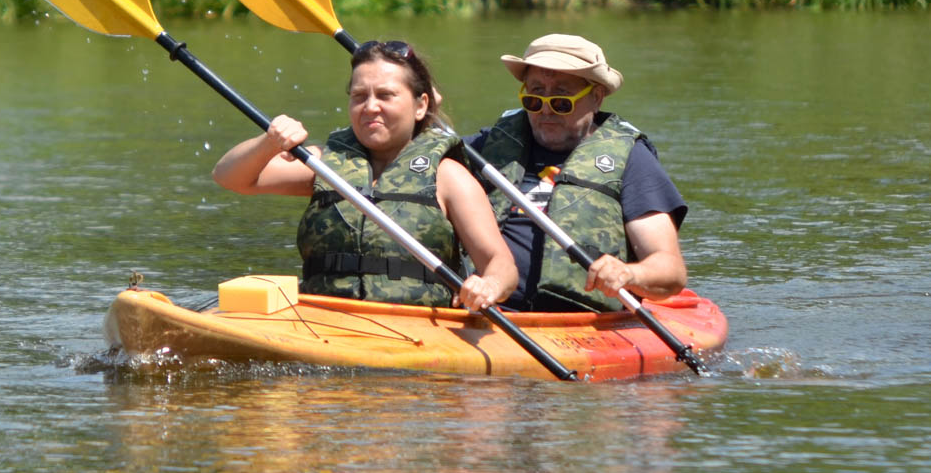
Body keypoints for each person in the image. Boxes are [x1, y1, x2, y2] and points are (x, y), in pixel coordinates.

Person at [212, 40, 518, 312]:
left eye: (386, 95)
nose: (371, 107)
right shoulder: (323, 165)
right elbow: (230, 177)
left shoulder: (448, 176)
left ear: (421, 105)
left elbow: (501, 266)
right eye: (359, 96)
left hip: (417, 326)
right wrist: (269, 142)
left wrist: (487, 286)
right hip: (324, 317)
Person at [464, 34, 687, 312]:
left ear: (596, 97)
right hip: (485, 310)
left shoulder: (631, 159)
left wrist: (630, 274)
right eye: (534, 97)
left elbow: (670, 270)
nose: (545, 109)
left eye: (561, 101)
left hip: (578, 323)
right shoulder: (486, 147)